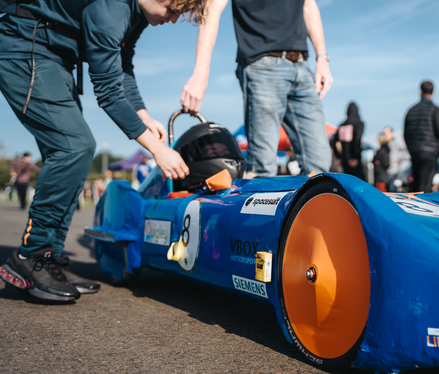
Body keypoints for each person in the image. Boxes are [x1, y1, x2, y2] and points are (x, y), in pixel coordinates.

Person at [0, 0, 203, 301]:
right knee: (74, 147)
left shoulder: (137, 15)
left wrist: (143, 115)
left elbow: (122, 66)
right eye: (173, 10)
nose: (172, 20)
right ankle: (31, 257)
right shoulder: (112, 8)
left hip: (54, 57)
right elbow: (107, 92)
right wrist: (157, 148)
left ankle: (49, 259)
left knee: (77, 152)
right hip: (25, 48)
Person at [180, 0, 333, 177]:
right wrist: (200, 73)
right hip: (261, 65)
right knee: (263, 166)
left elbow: (308, 5)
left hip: (301, 66)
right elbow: (211, 8)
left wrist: (322, 58)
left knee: (319, 163)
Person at [404, 81, 439, 193]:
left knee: (416, 182)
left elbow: (406, 134)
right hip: (430, 152)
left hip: (415, 151)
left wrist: (411, 149)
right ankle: (422, 207)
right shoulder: (435, 109)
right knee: (425, 184)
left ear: (420, 91)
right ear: (433, 92)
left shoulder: (411, 110)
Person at [333, 102, 366, 180]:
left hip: (344, 160)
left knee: (347, 183)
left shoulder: (342, 125)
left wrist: (338, 157)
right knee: (360, 182)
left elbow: (333, 141)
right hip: (354, 159)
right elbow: (357, 140)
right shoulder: (359, 123)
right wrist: (355, 157)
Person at [373, 127, 393, 191]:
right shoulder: (384, 150)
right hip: (381, 177)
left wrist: (378, 163)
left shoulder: (383, 150)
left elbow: (386, 163)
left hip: (381, 178)